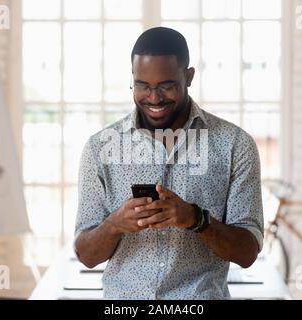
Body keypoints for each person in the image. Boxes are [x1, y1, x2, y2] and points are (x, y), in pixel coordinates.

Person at [74, 27, 263, 299]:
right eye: (142, 85)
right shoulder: (100, 148)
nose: (153, 98)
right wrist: (114, 224)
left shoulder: (234, 144)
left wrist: (196, 219)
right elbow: (86, 255)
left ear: (188, 76)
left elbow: (247, 253)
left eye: (166, 86)